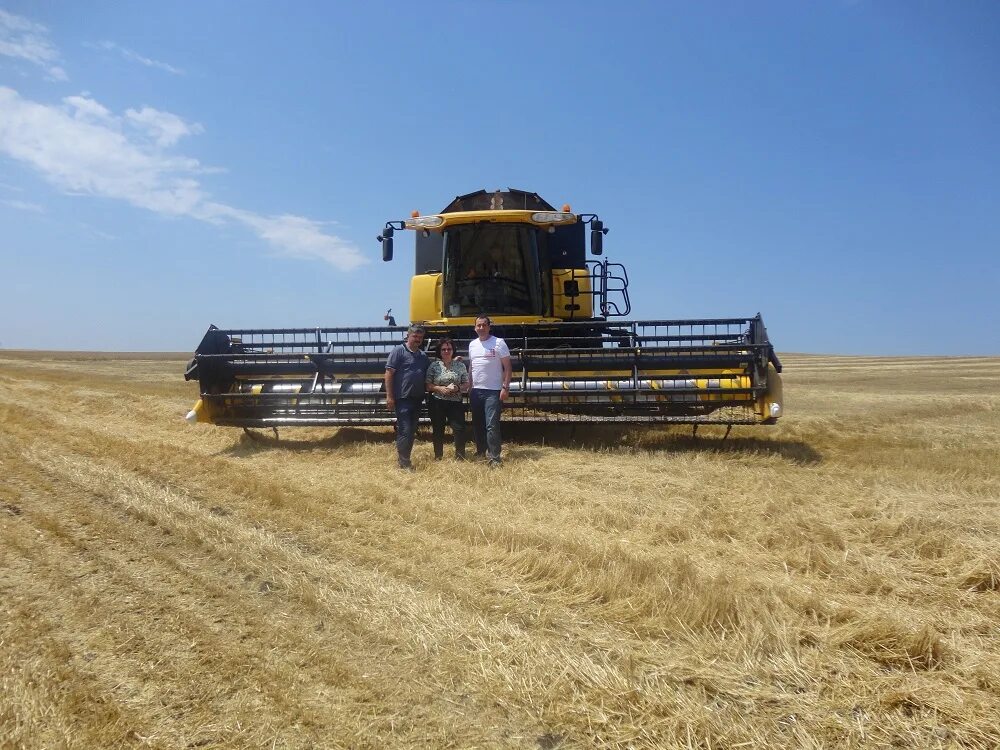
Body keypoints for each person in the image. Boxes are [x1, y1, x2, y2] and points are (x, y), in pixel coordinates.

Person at [467, 315, 512, 467]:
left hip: (493, 391)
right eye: (478, 325)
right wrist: (470, 385)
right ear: (474, 328)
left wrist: (505, 387)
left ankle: (495, 458)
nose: (481, 328)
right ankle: (481, 452)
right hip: (476, 391)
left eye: (484, 325)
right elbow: (472, 367)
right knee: (478, 424)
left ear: (489, 327)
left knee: (491, 425)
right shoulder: (472, 345)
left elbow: (508, 367)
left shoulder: (499, 343)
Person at [384, 324, 430, 470]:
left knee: (411, 430)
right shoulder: (399, 351)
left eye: (420, 337)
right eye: (415, 336)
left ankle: (404, 458)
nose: (417, 339)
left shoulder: (423, 356)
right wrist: (390, 396)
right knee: (405, 429)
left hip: (417, 399)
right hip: (402, 398)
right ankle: (404, 462)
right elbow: (389, 373)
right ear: (408, 336)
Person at [425, 338, 469, 460]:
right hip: (437, 402)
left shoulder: (460, 366)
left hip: (455, 402)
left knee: (459, 429)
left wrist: (458, 387)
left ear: (453, 350)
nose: (446, 351)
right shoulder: (434, 366)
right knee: (438, 430)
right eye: (443, 349)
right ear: (439, 351)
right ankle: (438, 457)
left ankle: (460, 457)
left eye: (449, 349)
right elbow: (428, 385)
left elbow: (466, 383)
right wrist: (439, 388)